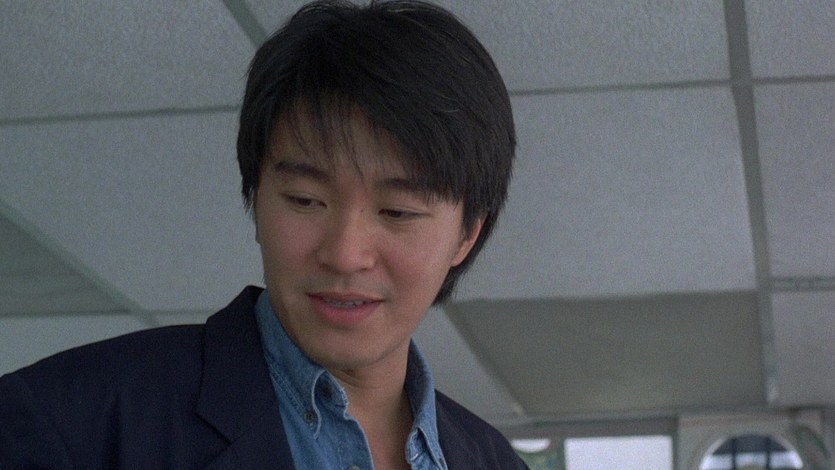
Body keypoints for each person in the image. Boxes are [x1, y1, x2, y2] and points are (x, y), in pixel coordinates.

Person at [0, 0, 525, 468]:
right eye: (305, 201)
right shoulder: (67, 423)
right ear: (256, 199)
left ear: (466, 235)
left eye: (398, 211)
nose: (345, 254)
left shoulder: (496, 461)